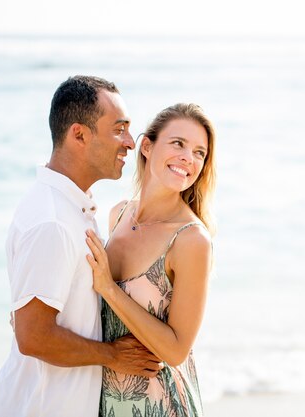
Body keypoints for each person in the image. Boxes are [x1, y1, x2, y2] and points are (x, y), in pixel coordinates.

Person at [0, 76, 163, 417]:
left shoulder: (71, 207)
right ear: (79, 135)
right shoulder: (53, 221)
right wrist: (113, 355)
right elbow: (34, 336)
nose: (130, 142)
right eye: (119, 129)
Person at [85, 103, 216, 417]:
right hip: (108, 403)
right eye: (178, 143)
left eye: (200, 152)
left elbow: (175, 350)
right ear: (146, 146)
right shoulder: (118, 214)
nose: (189, 157)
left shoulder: (190, 240)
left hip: (161, 406)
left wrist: (110, 290)